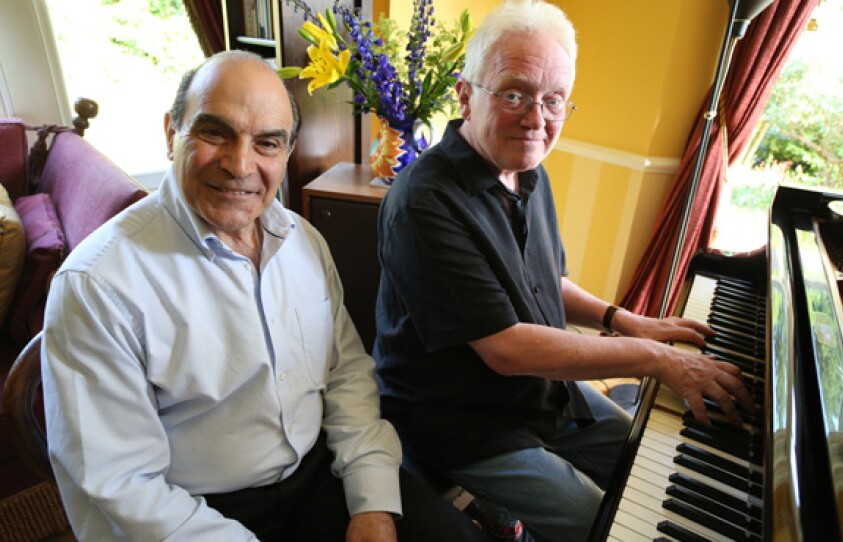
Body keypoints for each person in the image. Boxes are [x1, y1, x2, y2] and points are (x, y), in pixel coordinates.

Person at [41, 50, 489, 542]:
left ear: (288, 151)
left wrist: (372, 500)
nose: (240, 165)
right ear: (172, 134)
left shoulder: (304, 241)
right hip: (191, 513)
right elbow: (122, 486)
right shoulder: (96, 285)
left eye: (267, 143)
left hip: (320, 476)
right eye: (215, 133)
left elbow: (346, 376)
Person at [373, 1, 756, 541]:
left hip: (543, 395)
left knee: (650, 451)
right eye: (514, 94)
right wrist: (655, 359)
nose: (537, 119)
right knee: (603, 522)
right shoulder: (425, 202)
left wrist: (624, 319)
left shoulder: (527, 171)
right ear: (465, 94)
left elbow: (539, 280)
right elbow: (507, 347)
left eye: (554, 100)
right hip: (462, 421)